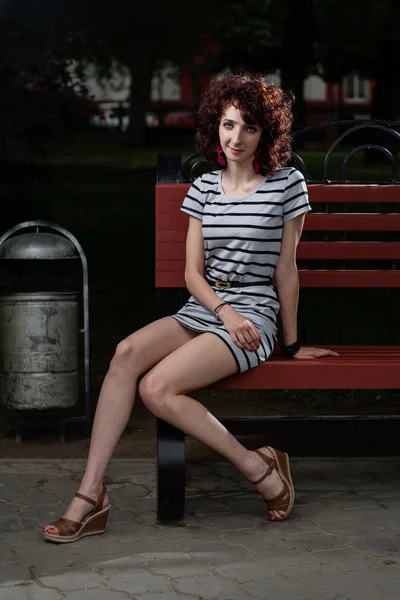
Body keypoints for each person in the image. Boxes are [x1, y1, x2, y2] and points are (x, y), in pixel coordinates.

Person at [42, 73, 338, 543]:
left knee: (156, 389)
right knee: (124, 355)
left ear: (267, 134)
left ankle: (255, 467)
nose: (235, 138)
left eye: (249, 128)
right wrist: (222, 311)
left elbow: (287, 270)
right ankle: (92, 491)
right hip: (209, 308)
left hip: (254, 316)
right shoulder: (202, 187)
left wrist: (292, 342)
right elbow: (191, 276)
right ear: (214, 126)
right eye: (228, 125)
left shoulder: (287, 184)